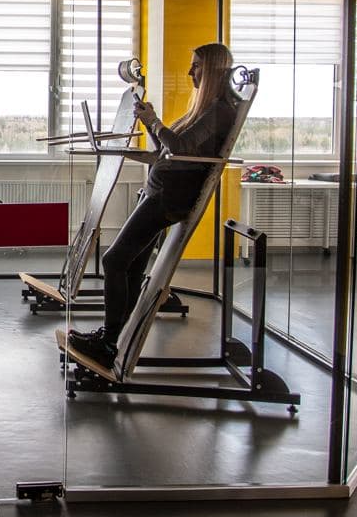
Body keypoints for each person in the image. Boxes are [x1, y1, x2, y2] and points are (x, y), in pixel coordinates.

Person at [67, 42, 238, 371]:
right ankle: (115, 338)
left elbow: (180, 147)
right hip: (159, 192)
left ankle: (108, 342)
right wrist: (147, 126)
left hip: (167, 198)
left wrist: (154, 120)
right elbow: (168, 151)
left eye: (197, 66)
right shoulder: (204, 110)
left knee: (113, 260)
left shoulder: (220, 111)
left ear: (213, 71)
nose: (190, 72)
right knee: (131, 266)